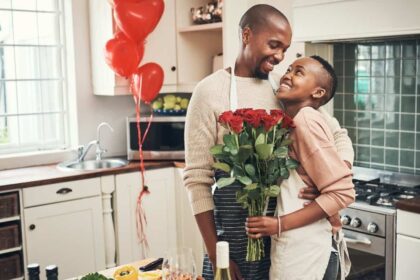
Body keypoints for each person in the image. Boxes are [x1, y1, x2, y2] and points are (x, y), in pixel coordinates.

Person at [183, 4, 354, 280]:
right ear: (247, 35)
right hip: (237, 235)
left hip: (287, 234)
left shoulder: (283, 89)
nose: (279, 57)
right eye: (274, 45)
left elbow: (338, 135)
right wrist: (217, 255)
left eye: (284, 49)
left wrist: (329, 177)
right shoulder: (208, 92)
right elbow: (196, 180)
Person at [246, 55, 355, 280]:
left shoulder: (306, 119)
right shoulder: (297, 119)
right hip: (307, 246)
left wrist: (277, 224)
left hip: (307, 251)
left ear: (317, 93)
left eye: (299, 72)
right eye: (288, 69)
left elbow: (343, 192)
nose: (287, 74)